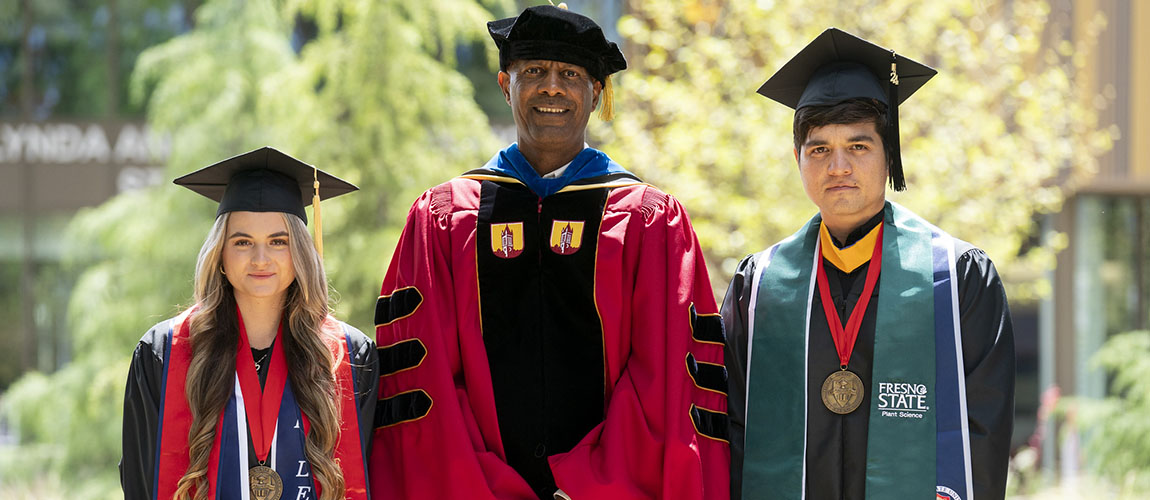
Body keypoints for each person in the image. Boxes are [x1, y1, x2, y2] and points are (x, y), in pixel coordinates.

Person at [369, 4, 729, 499]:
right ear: (504, 84)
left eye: (571, 74)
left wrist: (589, 485)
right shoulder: (444, 218)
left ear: (596, 92)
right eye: (534, 71)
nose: (552, 87)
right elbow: (421, 379)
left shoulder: (649, 220)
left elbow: (664, 375)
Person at [722, 28, 1015, 500]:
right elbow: (731, 426)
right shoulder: (759, 286)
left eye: (858, 147)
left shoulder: (956, 277)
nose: (837, 166)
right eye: (819, 149)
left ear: (889, 154)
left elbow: (983, 427)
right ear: (796, 157)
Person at [119, 147, 378, 500]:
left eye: (278, 241)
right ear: (220, 254)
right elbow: (140, 479)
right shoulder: (164, 352)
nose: (260, 258)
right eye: (242, 242)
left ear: (301, 252)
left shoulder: (349, 354)